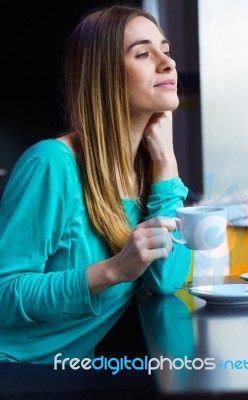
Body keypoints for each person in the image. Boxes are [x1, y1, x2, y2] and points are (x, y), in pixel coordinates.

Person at [0, 3, 191, 378]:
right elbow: (5, 293)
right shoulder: (52, 164)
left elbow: (166, 281)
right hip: (17, 372)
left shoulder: (147, 174)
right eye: (143, 53)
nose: (167, 63)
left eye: (165, 50)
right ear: (105, 76)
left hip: (71, 373)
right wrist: (115, 269)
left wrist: (166, 164)